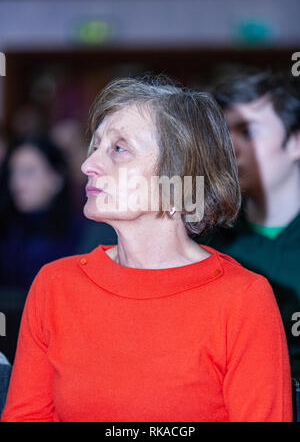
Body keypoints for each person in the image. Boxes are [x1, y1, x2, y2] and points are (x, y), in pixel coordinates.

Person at [1, 76, 292, 422]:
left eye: (119, 149)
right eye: (95, 146)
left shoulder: (243, 298)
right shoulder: (55, 284)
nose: (88, 165)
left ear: (180, 173)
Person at [196, 68, 300, 384]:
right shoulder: (207, 237)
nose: (230, 149)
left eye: (248, 132)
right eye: (224, 135)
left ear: (295, 142)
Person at [0, 136, 85, 363]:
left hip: (58, 350)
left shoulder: (81, 236)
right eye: (13, 172)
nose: (17, 182)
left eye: (28, 172)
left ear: (56, 178)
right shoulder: (6, 233)